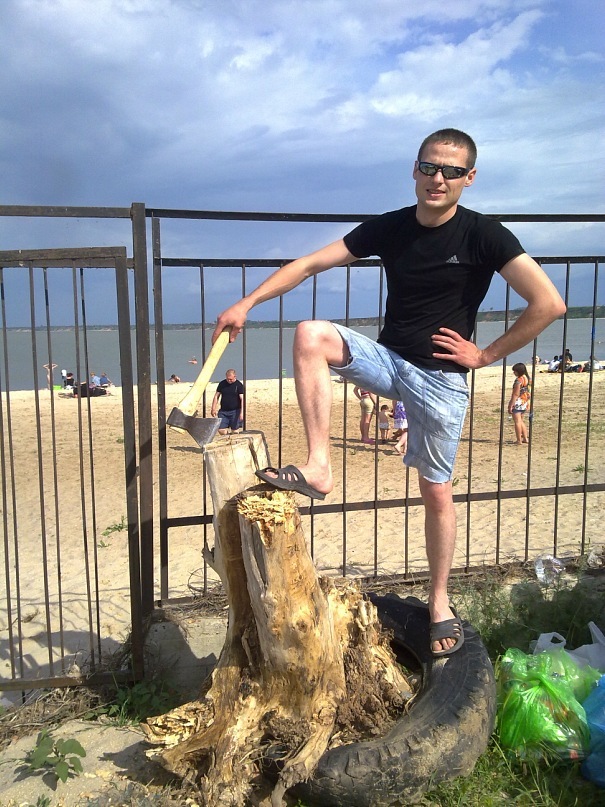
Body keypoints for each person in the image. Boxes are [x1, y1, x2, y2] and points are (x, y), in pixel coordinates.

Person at [212, 128, 566, 656]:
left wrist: (485, 354)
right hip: (390, 362)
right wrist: (246, 303)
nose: (438, 178)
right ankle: (319, 466)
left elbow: (549, 303)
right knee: (310, 335)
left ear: (469, 178)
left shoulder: (484, 235)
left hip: (441, 379)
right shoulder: (392, 227)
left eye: (451, 171)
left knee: (436, 493)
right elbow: (309, 264)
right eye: (429, 167)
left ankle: (439, 602)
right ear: (415, 170)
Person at [211, 369, 245, 434]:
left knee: (235, 431)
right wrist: (213, 408)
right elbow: (216, 396)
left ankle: (232, 437)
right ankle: (228, 436)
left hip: (235, 411)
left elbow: (242, 399)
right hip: (223, 411)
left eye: (230, 379)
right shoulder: (222, 384)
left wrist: (241, 413)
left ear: (235, 376)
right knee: (221, 430)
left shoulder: (239, 385)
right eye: (227, 379)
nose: (229, 381)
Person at [507, 362, 531, 445]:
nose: (514, 373)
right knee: (521, 421)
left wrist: (510, 404)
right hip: (525, 401)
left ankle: (519, 440)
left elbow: (515, 394)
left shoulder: (519, 381)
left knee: (517, 421)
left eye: (515, 371)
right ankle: (525, 438)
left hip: (518, 402)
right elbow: (529, 391)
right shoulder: (527, 378)